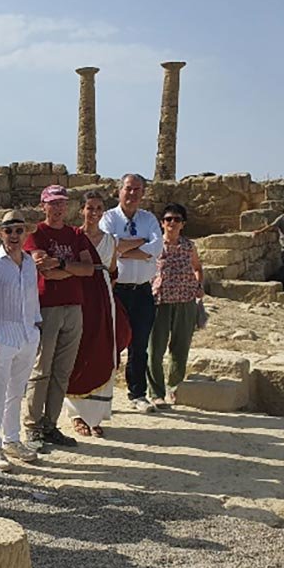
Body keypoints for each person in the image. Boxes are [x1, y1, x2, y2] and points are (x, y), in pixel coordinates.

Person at [23, 185, 94, 447]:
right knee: (42, 368)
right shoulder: (36, 234)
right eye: (53, 203)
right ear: (44, 206)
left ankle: (50, 424)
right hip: (48, 306)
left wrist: (63, 264)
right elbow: (44, 269)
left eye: (62, 203)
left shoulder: (75, 234)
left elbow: (88, 270)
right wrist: (71, 269)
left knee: (62, 370)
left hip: (74, 307)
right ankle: (32, 425)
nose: (58, 208)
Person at [0, 211, 42, 472]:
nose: (14, 235)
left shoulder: (29, 263)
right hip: (0, 336)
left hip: (26, 336)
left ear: (25, 233)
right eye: (9, 230)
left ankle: (12, 439)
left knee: (17, 392)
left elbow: (32, 298)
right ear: (1, 233)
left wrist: (35, 328)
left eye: (18, 230)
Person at [64, 192, 131, 437]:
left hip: (102, 297)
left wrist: (105, 295)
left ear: (104, 212)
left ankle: (96, 415)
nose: (94, 213)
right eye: (89, 208)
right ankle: (77, 415)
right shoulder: (72, 237)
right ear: (81, 210)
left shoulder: (110, 240)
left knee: (102, 348)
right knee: (78, 349)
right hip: (78, 294)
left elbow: (112, 271)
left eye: (99, 208)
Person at [99, 174, 164, 413]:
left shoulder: (149, 219)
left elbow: (157, 248)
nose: (132, 193)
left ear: (143, 193)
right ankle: (103, 394)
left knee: (140, 345)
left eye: (137, 189)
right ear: (119, 191)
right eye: (128, 189)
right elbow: (109, 248)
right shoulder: (108, 218)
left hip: (143, 291)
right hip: (117, 291)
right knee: (111, 344)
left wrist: (124, 247)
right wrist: (141, 244)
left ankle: (137, 393)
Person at [148, 203, 204, 405]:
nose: (172, 222)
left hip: (185, 301)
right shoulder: (154, 245)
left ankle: (174, 387)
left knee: (180, 348)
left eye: (177, 219)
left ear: (183, 224)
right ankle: (155, 393)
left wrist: (199, 285)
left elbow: (197, 267)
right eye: (168, 219)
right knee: (155, 350)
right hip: (160, 302)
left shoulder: (189, 246)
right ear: (162, 223)